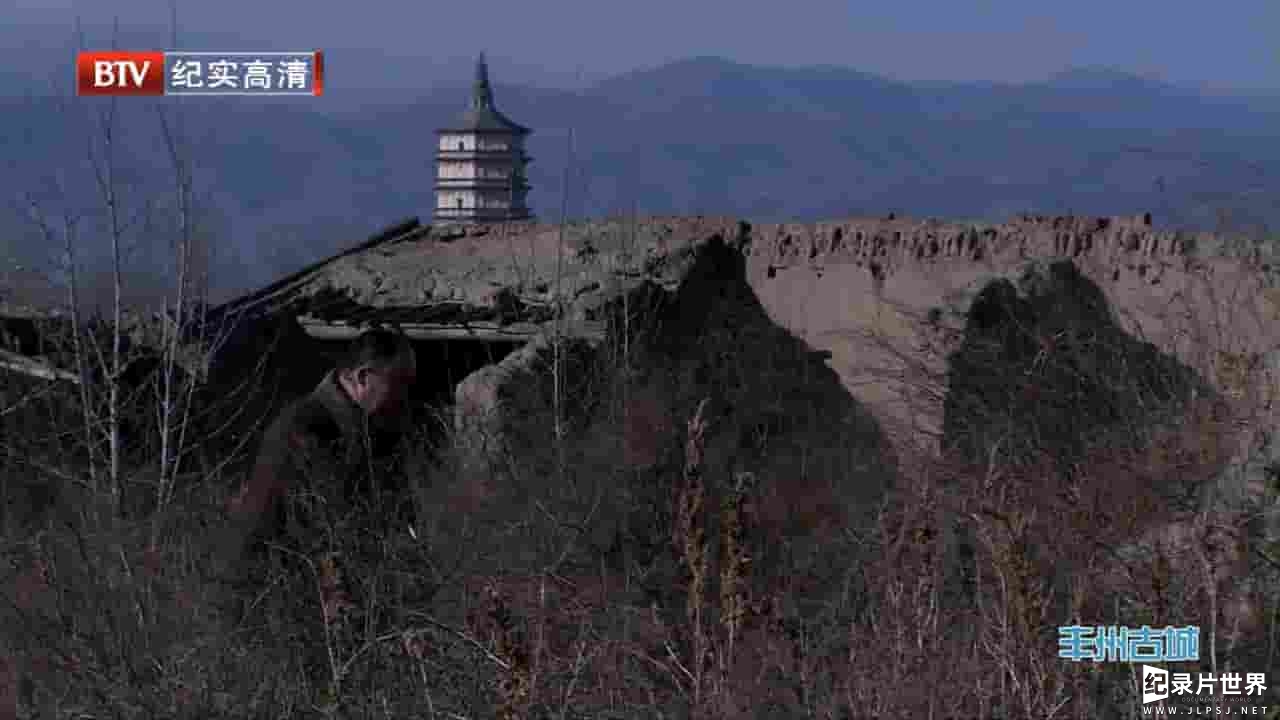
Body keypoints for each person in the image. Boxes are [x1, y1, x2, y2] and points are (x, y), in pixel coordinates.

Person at [216, 328, 419, 693]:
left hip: (308, 601)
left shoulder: (365, 430)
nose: (406, 395)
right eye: (400, 383)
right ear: (361, 378)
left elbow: (394, 517)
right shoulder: (309, 429)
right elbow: (329, 532)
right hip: (271, 603)